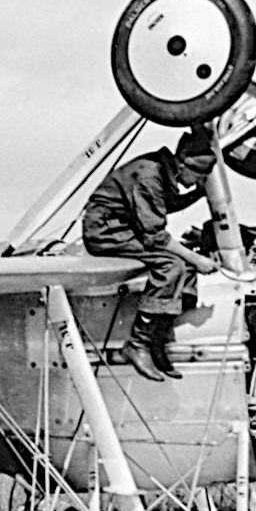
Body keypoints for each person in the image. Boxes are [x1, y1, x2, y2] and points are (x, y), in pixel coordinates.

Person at [82, 128, 221, 381]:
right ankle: (137, 344)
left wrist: (199, 194)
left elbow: (162, 205)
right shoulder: (148, 174)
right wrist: (196, 258)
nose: (200, 182)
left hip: (126, 229)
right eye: (199, 177)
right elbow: (155, 235)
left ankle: (157, 339)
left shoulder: (162, 170)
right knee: (173, 266)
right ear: (183, 165)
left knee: (186, 270)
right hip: (106, 231)